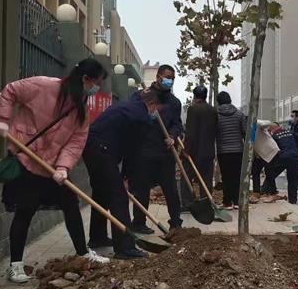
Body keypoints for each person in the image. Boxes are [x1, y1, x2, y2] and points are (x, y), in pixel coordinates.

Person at [0, 59, 110, 283]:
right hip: (26, 158)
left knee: (71, 206)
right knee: (25, 211)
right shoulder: (43, 86)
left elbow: (76, 141)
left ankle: (83, 254)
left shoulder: (81, 110)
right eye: (96, 83)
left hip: (52, 167)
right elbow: (10, 91)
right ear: (86, 79)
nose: (97, 89)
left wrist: (63, 167)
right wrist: (2, 118)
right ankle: (16, 266)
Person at [82, 89, 159, 258]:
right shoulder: (141, 116)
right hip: (102, 150)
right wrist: (125, 179)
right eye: (156, 109)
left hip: (91, 147)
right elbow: (133, 152)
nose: (155, 113)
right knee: (119, 197)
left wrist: (123, 175)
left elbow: (125, 146)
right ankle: (125, 248)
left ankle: (98, 237)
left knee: (101, 193)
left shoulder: (128, 106)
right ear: (151, 104)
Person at [127, 65, 184, 232]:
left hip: (165, 153)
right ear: (158, 76)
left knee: (171, 190)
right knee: (142, 189)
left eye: (172, 78)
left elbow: (177, 125)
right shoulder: (141, 96)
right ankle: (138, 223)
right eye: (167, 77)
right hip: (144, 151)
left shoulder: (174, 102)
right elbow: (130, 117)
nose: (170, 81)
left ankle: (175, 222)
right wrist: (146, 118)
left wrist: (172, 136)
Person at [181, 86, 217, 211]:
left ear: (194, 96)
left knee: (186, 177)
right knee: (206, 179)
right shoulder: (213, 110)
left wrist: (186, 150)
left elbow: (190, 132)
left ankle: (187, 203)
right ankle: (206, 203)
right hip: (208, 151)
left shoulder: (193, 109)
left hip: (193, 152)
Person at [216, 91, 247, 209]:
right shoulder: (239, 115)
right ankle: (237, 202)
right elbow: (245, 132)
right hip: (238, 151)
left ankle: (227, 202)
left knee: (226, 176)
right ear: (230, 100)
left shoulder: (216, 116)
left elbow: (215, 132)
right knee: (237, 176)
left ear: (219, 102)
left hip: (223, 151)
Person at [261, 123, 298, 204]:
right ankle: (293, 201)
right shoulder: (291, 132)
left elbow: (271, 149)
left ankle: (268, 191)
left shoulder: (274, 136)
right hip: (294, 157)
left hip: (282, 157)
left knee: (270, 172)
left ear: (272, 129)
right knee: (292, 180)